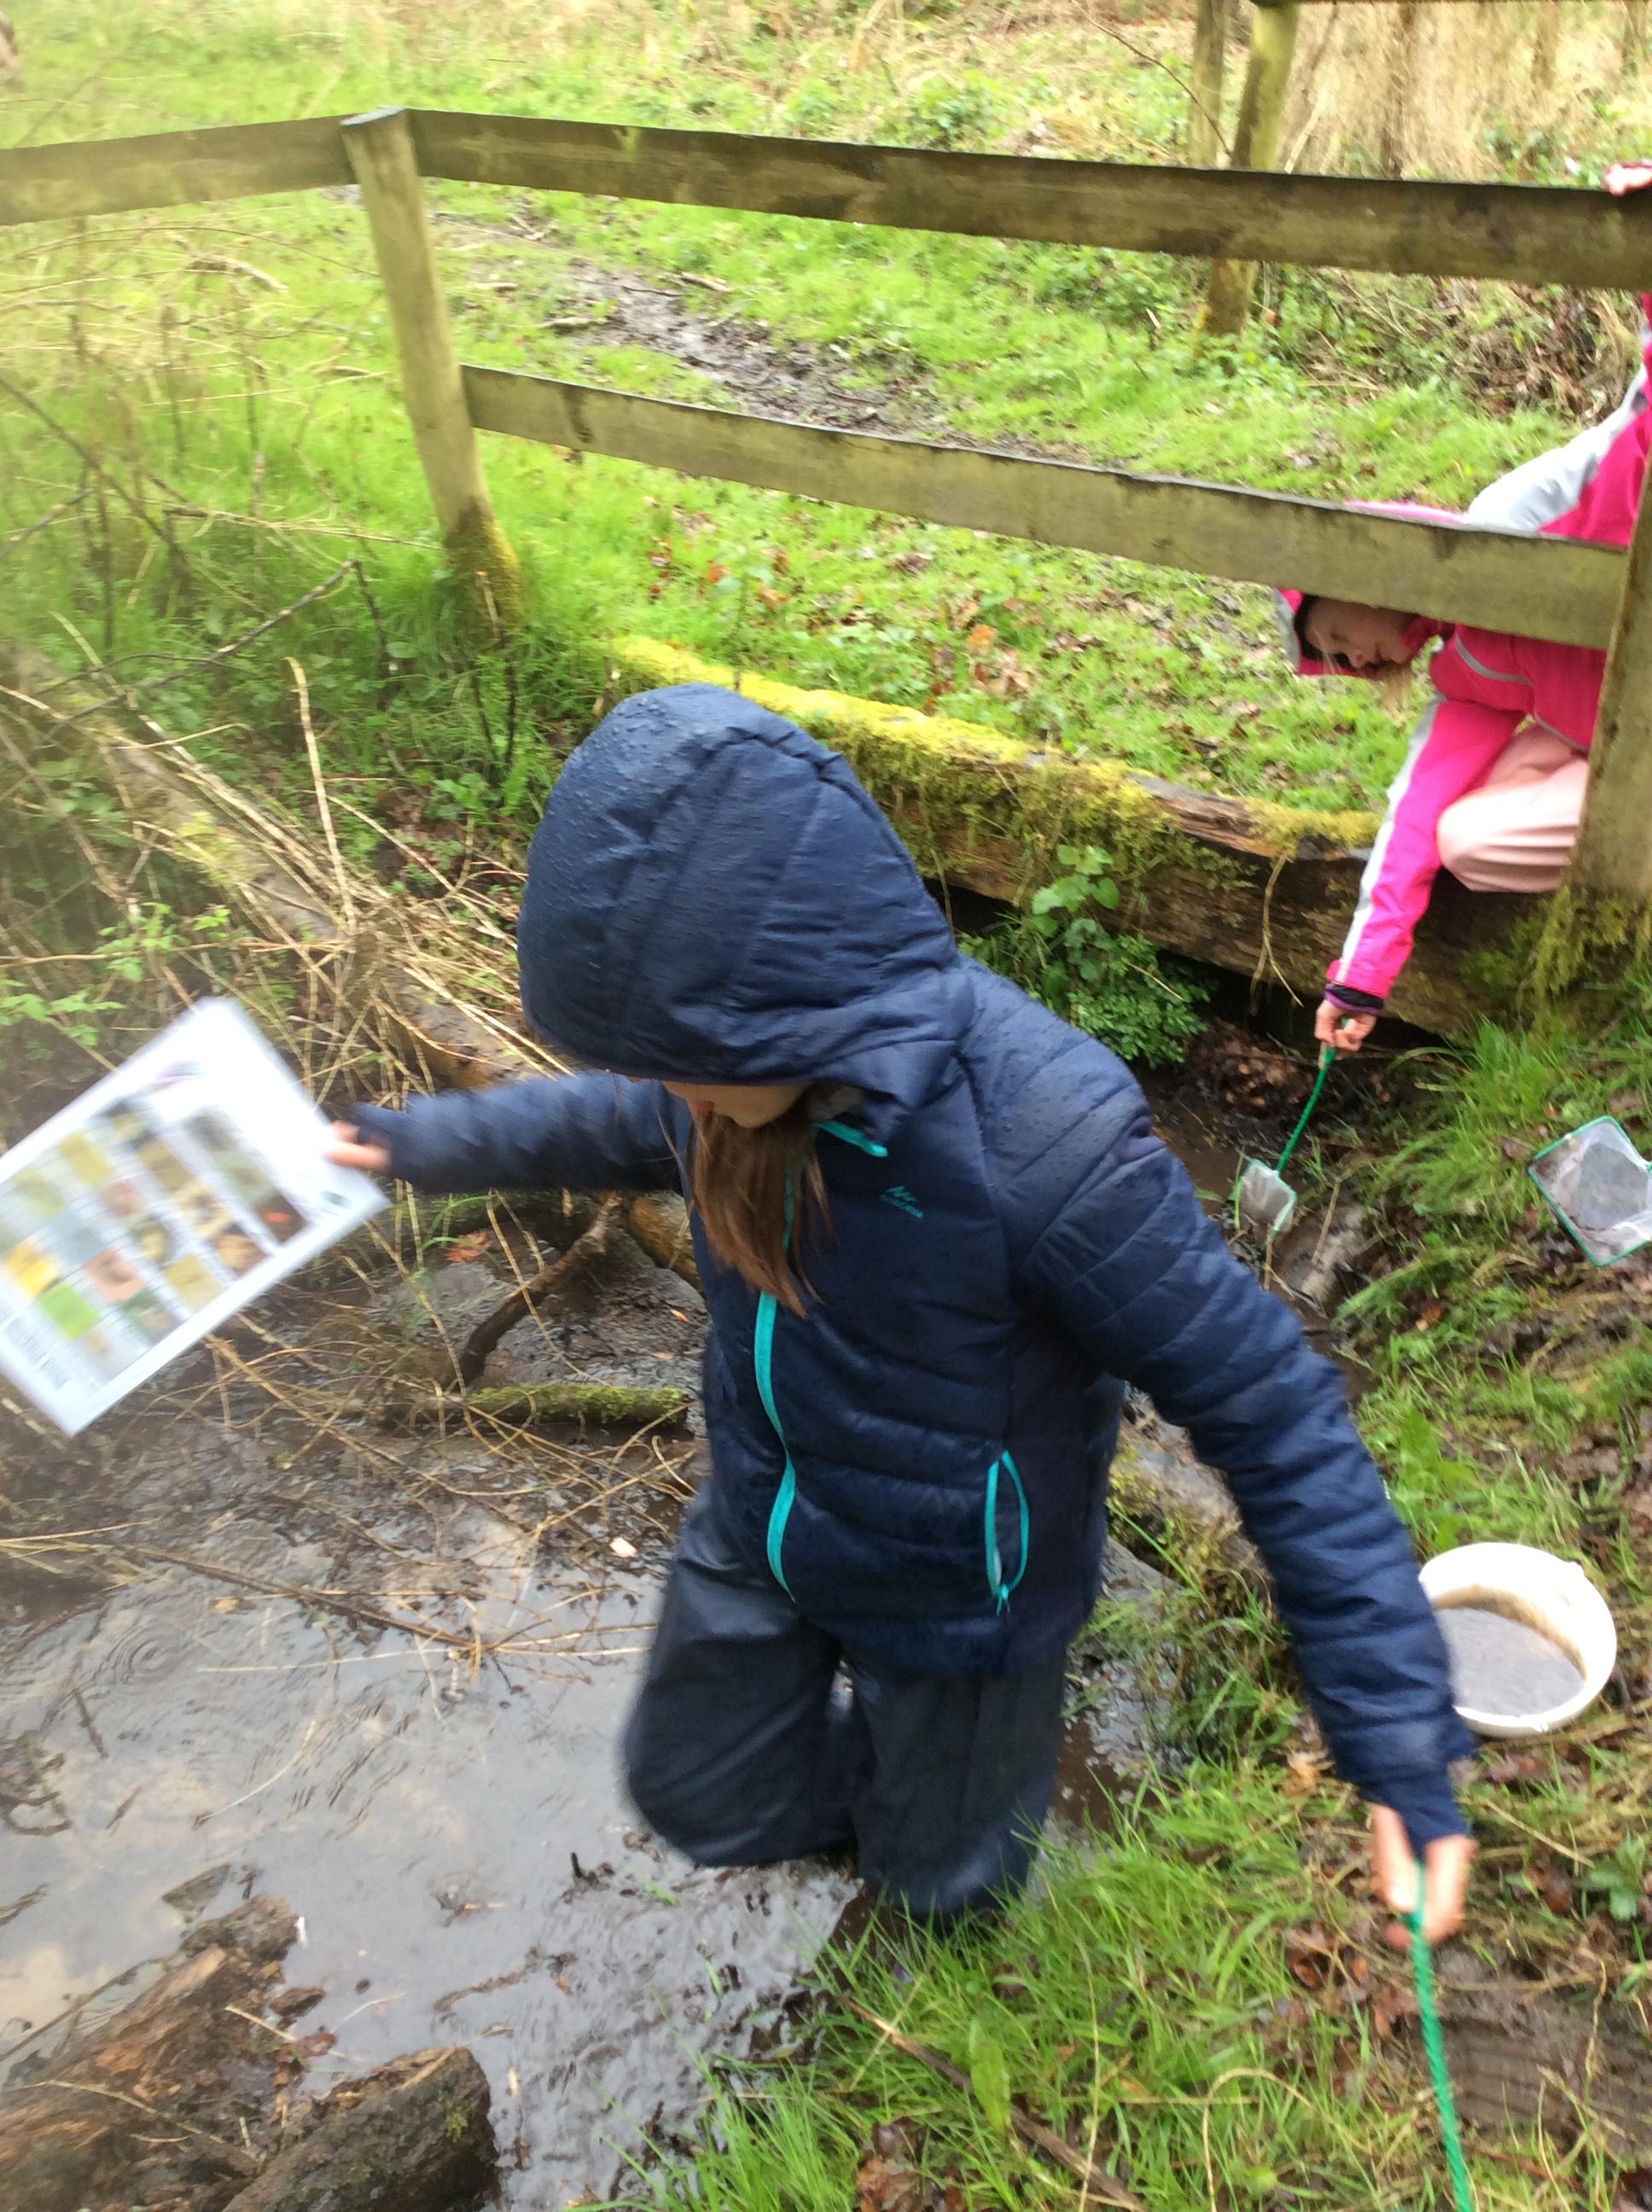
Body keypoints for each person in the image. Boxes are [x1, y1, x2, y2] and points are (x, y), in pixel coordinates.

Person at [329, 684, 1475, 1938]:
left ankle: (945, 1865)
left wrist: (1395, 1733)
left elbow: (1273, 1412)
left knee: (944, 1888)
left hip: (957, 1601)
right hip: (768, 1515)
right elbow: (607, 1117)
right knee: (696, 1790)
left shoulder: (1049, 1152)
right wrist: (409, 1145)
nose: (664, 1093)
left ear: (777, 1021)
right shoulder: (732, 1072)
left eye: (673, 1065)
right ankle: (900, 1803)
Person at [1278, 294, 1652, 1055]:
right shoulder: (1469, 669)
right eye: (1338, 661)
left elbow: (1630, 433)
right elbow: (1411, 817)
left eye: (1337, 636)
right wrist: (1360, 978)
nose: (1352, 663)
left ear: (1358, 572)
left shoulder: (1501, 527)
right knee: (1462, 834)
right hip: (1618, 737)